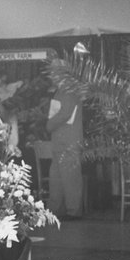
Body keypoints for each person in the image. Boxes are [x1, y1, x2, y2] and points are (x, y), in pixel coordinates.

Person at [46, 79, 84, 218]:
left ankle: (73, 211)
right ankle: (54, 209)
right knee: (56, 177)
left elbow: (64, 114)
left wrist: (49, 125)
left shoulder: (69, 91)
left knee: (70, 177)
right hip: (59, 140)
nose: (50, 75)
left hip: (68, 140)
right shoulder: (61, 90)